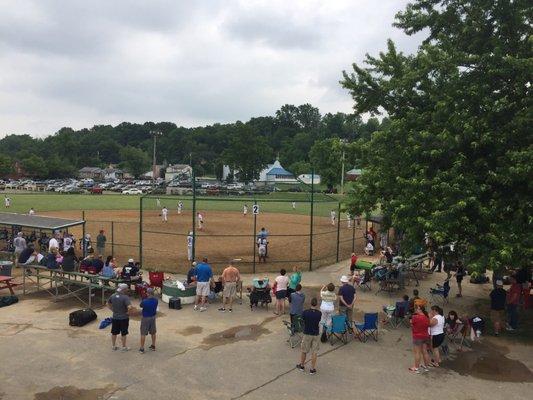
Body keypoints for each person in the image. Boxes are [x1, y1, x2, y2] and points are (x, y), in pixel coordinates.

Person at [296, 297, 321, 375]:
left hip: (307, 333)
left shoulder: (305, 312)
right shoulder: (319, 313)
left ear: (311, 303)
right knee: (314, 352)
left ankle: (302, 365)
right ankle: (312, 369)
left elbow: (302, 320)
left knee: (304, 351)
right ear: (316, 304)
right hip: (316, 334)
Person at [108, 283, 134, 351]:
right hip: (124, 318)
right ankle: (124, 347)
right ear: (124, 289)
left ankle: (113, 346)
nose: (127, 290)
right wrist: (128, 312)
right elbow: (129, 307)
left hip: (115, 317)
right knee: (124, 333)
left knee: (114, 332)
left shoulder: (112, 295)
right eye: (127, 289)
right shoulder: (125, 297)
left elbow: (108, 304)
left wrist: (112, 310)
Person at [409, 304, 431, 373]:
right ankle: (426, 367)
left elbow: (411, 323)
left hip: (417, 336)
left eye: (417, 309)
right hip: (425, 336)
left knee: (417, 352)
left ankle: (416, 368)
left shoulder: (415, 317)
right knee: (425, 351)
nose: (416, 310)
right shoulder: (427, 318)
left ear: (420, 309)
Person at [139, 287, 158, 353]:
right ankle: (153, 346)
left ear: (148, 293)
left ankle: (142, 348)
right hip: (153, 317)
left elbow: (141, 306)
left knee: (143, 333)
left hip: (145, 318)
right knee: (153, 332)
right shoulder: (156, 300)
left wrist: (143, 298)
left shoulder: (144, 301)